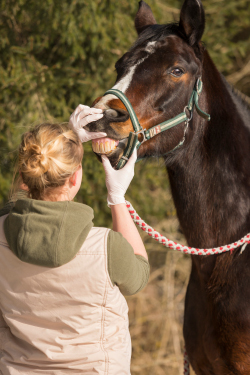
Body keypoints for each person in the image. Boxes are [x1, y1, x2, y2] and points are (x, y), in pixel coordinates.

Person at [0, 105, 149, 375]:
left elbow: (9, 210)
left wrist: (66, 142)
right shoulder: (106, 247)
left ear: (23, 177)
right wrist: (117, 198)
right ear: (76, 176)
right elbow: (139, 274)